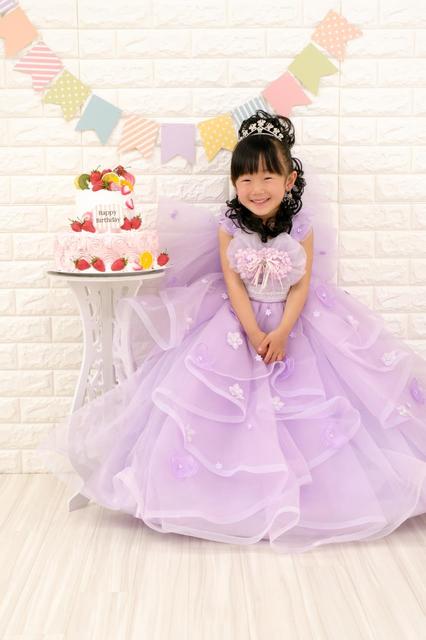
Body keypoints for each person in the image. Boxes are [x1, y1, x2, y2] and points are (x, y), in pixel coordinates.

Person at [37, 110, 426, 554]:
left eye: (267, 177)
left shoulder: (302, 228)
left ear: (289, 180)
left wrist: (282, 331)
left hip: (294, 320)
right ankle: (228, 495)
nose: (257, 189)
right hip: (238, 322)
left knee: (311, 401)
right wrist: (253, 331)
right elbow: (233, 283)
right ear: (234, 183)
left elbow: (302, 285)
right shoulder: (229, 226)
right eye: (246, 179)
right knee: (217, 403)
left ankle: (310, 497)